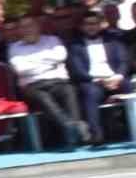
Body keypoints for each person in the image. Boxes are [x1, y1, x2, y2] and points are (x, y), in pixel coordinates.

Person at [7, 14, 89, 148]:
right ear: (19, 30)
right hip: (33, 86)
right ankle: (72, 126)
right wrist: (48, 62)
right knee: (43, 97)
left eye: (30, 25)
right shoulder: (14, 48)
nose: (27, 29)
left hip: (58, 82)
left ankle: (72, 130)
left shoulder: (53, 40)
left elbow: (60, 56)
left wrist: (33, 62)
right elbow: (20, 69)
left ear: (38, 27)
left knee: (69, 90)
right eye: (23, 26)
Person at [67, 10, 129, 147]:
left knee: (129, 87)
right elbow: (77, 70)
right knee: (91, 93)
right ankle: (97, 135)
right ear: (81, 26)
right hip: (92, 81)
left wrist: (117, 76)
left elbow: (123, 61)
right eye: (87, 24)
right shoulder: (75, 45)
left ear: (100, 24)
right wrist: (99, 80)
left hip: (115, 78)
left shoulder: (113, 39)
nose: (91, 27)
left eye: (94, 23)